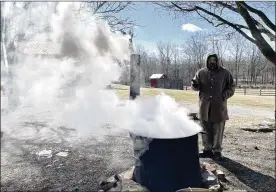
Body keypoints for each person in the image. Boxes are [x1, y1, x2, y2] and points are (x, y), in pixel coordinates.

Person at [191, 53, 235, 161]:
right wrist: (195, 85)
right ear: (207, 61)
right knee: (205, 129)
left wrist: (225, 95)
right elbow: (195, 85)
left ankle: (217, 152)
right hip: (204, 107)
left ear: (217, 61)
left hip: (219, 107)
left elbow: (232, 86)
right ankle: (207, 150)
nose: (212, 62)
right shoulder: (201, 72)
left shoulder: (225, 73)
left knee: (218, 130)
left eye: (214, 60)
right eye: (210, 60)